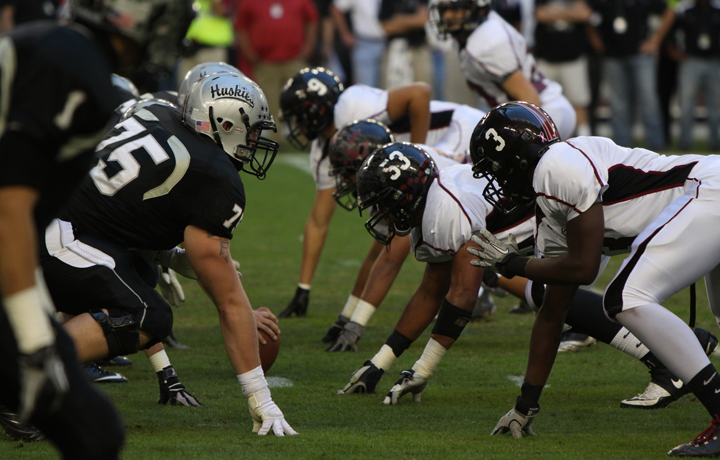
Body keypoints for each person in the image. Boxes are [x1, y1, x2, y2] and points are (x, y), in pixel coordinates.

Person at [337, 138, 715, 410]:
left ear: (405, 195)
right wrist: (381, 362)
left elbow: (460, 297)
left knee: (608, 297)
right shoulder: (433, 212)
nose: (382, 216)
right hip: (544, 230)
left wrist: (421, 367)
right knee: (550, 298)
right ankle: (672, 354)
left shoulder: (445, 210)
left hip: (573, 222)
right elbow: (430, 293)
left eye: (385, 204)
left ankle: (672, 356)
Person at [40, 73, 296, 436]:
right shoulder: (215, 174)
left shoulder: (156, 109)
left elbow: (118, 205)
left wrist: (166, 256)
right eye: (251, 130)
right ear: (226, 124)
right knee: (149, 315)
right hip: (52, 230)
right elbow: (229, 301)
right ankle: (22, 376)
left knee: (140, 275)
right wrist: (260, 397)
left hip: (42, 207)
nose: (255, 140)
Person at [0, 0, 195, 456]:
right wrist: (33, 338)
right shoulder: (71, 66)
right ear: (136, 17)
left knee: (95, 430)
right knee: (92, 429)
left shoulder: (65, 52)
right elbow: (9, 207)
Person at [468, 101, 720, 456]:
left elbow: (583, 267)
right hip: (707, 198)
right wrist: (526, 405)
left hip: (708, 193)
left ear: (514, 161)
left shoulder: (555, 168)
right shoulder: (553, 202)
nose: (498, 181)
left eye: (495, 169)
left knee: (624, 299)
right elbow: (553, 313)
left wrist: (513, 263)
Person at [278, 67, 485, 319]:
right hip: (411, 168)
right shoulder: (324, 153)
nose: (296, 126)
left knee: (451, 223)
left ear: (314, 112)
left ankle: (495, 283)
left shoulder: (352, 106)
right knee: (415, 234)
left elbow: (419, 93)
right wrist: (304, 287)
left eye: (298, 117)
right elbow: (318, 221)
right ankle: (490, 284)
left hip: (457, 133)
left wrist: (419, 152)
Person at [322, 119, 469, 352]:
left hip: (478, 213)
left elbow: (389, 262)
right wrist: (346, 317)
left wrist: (355, 326)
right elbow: (375, 258)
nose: (344, 180)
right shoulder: (394, 173)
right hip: (459, 215)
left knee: (487, 264)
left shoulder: (401, 181)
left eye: (347, 172)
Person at [431, 0, 577, 140]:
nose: (448, 16)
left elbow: (530, 99)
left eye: (456, 9)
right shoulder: (481, 29)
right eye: (445, 9)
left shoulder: (485, 44)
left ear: (476, 10)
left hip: (543, 115)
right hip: (545, 111)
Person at [585, 0, 673, 150]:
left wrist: (655, 40)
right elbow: (586, 14)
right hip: (612, 56)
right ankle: (622, 148)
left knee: (648, 100)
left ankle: (656, 146)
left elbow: (669, 11)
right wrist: (595, 40)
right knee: (619, 104)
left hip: (640, 56)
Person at [235, 0, 319, 142]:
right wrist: (250, 54)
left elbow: (312, 19)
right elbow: (241, 27)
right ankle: (275, 140)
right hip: (265, 62)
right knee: (271, 104)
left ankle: (304, 139)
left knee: (301, 100)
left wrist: (308, 47)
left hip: (294, 59)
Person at [533, 0, 593, 137]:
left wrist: (553, 12)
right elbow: (540, 14)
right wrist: (571, 11)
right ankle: (542, 138)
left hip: (573, 57)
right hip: (547, 57)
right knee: (541, 103)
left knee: (579, 102)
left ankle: (584, 138)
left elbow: (585, 15)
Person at [669, 0, 720, 151]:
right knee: (687, 104)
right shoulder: (685, 9)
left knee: (715, 105)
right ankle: (685, 143)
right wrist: (675, 52)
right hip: (691, 61)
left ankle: (715, 142)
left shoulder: (718, 8)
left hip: (714, 61)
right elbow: (670, 33)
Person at [330, 0, 397, 87]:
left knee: (389, 88)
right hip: (364, 43)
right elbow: (336, 7)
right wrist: (345, 34)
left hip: (390, 44)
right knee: (365, 89)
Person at [379, 0, 432, 89]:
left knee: (422, 86)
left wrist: (398, 19)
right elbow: (387, 28)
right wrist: (413, 20)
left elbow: (422, 20)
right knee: (394, 88)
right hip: (395, 50)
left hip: (418, 48)